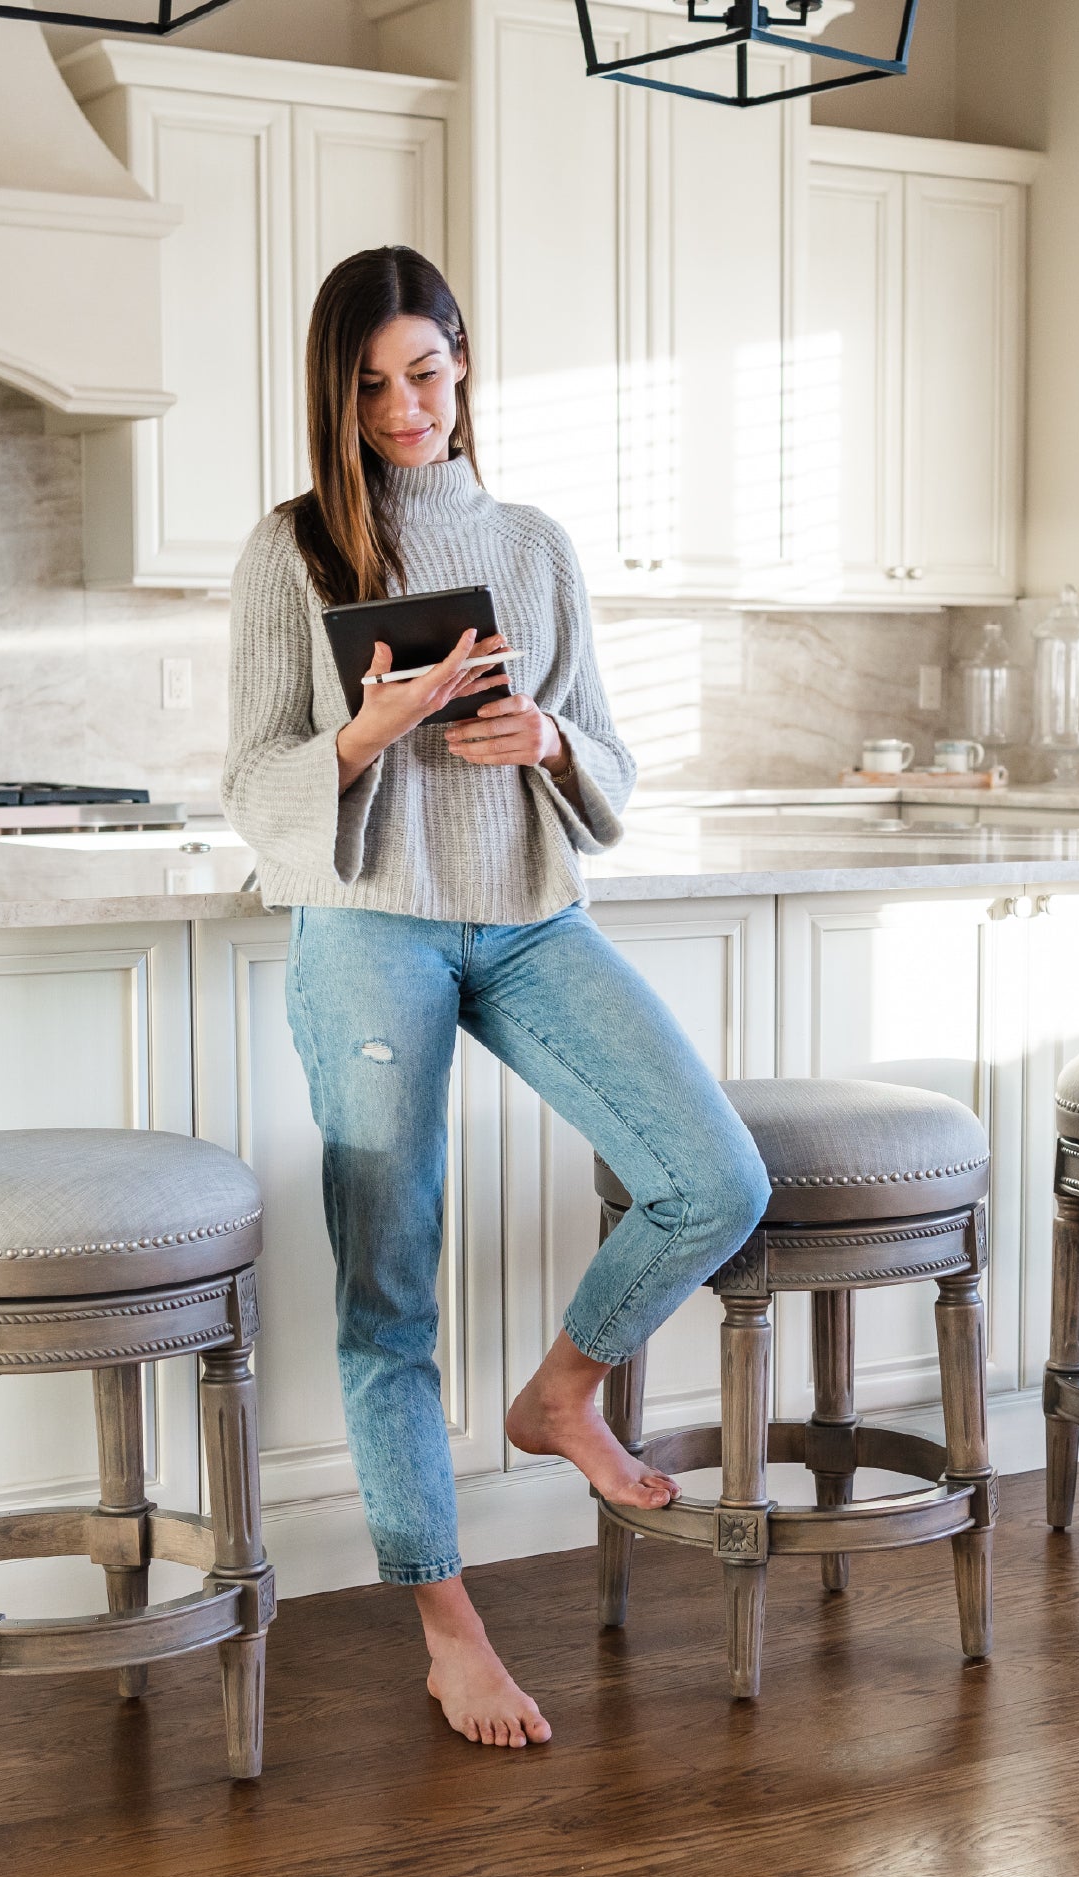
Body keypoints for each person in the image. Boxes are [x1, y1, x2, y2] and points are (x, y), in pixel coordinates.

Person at [222, 246, 770, 1749]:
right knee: (388, 1287)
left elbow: (606, 756)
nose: (406, 407)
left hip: (529, 919)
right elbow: (249, 778)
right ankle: (448, 1625)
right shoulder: (291, 551)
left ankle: (560, 1394)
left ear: (465, 363)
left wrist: (544, 740)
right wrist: (363, 733)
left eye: (427, 370)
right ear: (334, 396)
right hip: (365, 924)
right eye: (371, 384)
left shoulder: (532, 540)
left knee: (712, 1176)